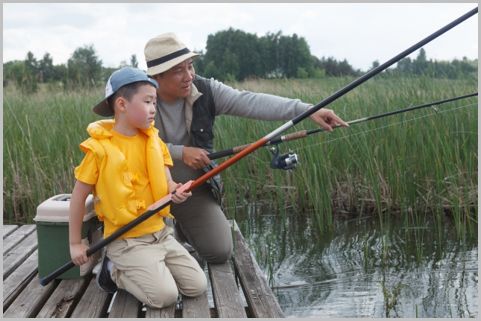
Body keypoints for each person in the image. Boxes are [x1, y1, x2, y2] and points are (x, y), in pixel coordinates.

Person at [143, 33, 349, 264]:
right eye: (178, 71)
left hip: (191, 185)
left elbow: (251, 101)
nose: (189, 76)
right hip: (143, 186)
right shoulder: (136, 95)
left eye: (190, 67)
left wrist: (308, 110)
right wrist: (180, 152)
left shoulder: (205, 90)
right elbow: (128, 144)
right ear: (157, 77)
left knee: (219, 251)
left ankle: (181, 226)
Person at [68, 67, 207, 308]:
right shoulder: (98, 150)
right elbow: (78, 198)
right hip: (125, 241)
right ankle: (113, 271)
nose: (154, 108)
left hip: (161, 234)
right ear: (122, 104)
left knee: (197, 286)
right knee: (165, 298)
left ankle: (151, 269)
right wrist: (75, 243)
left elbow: (167, 184)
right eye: (147, 101)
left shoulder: (154, 141)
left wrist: (176, 191)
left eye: (155, 102)